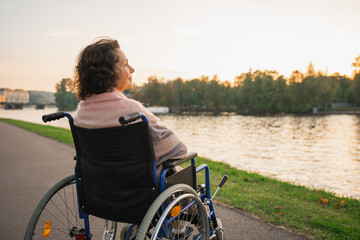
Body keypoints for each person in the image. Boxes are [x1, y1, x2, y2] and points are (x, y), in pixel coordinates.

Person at [73, 37, 188, 178]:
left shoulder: (81, 114)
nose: (132, 69)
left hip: (100, 190)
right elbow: (179, 150)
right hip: (140, 191)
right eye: (125, 64)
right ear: (108, 72)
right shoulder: (131, 111)